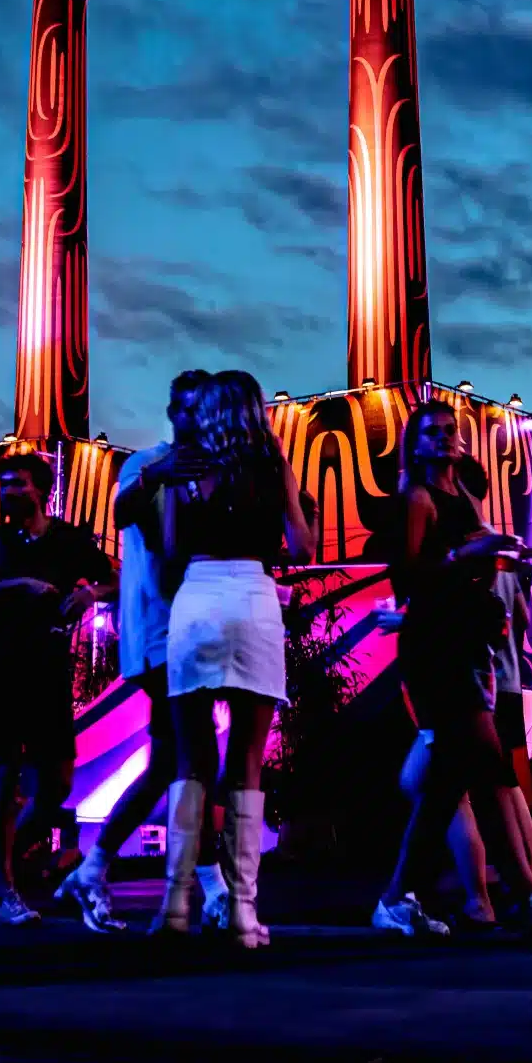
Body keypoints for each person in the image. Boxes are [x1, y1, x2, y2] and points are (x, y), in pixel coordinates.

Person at [373, 401, 532, 939]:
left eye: (450, 431)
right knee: (487, 771)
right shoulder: (417, 498)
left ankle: (397, 899)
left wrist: (498, 557)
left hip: (466, 643)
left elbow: (474, 564)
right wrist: (471, 553)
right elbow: (410, 575)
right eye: (431, 432)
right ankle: (528, 895)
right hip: (436, 648)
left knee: (446, 789)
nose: (443, 439)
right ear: (414, 444)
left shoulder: (461, 494)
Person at [57, 371, 226, 936]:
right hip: (160, 634)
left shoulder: (218, 469)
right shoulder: (146, 465)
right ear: (173, 412)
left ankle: (98, 866)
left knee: (174, 763)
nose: (196, 420)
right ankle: (213, 888)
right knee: (194, 756)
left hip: (199, 630)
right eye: (187, 409)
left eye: (206, 410)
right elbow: (124, 509)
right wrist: (159, 474)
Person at [150, 370, 313, 947]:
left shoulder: (182, 472)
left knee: (191, 759)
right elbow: (302, 547)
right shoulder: (274, 466)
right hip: (253, 595)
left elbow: (170, 551)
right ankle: (243, 913)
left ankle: (173, 906)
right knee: (246, 758)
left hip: (196, 598)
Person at [0, 449, 113, 925]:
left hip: (49, 668)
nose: (9, 491)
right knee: (4, 773)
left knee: (57, 784)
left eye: (18, 483)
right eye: (3, 484)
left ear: (42, 490)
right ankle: (2, 886)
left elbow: (116, 580)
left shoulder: (67, 540)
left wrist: (91, 593)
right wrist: (17, 584)